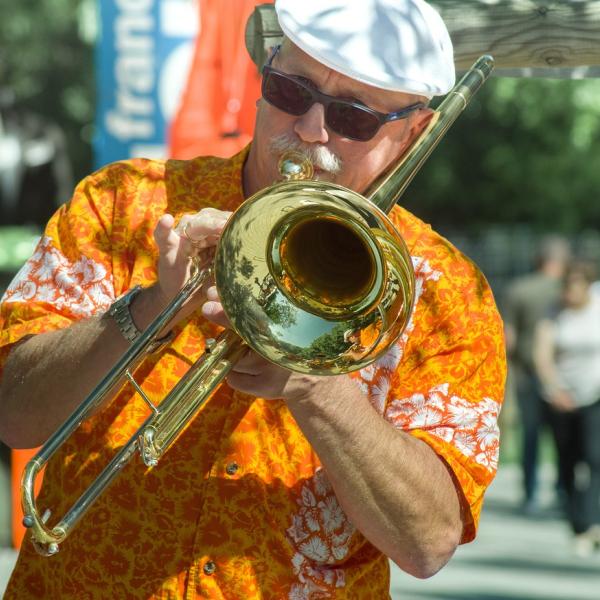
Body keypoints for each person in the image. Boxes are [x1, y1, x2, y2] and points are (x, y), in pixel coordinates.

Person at [0, 1, 506, 597]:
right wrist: (149, 310)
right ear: (265, 75)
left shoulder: (447, 291)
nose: (312, 129)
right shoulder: (123, 202)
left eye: (353, 116)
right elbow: (13, 411)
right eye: (291, 90)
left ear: (414, 131)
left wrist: (317, 387)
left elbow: (427, 543)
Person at [533, 260, 600, 557]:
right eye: (566, 286)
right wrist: (555, 389)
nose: (570, 292)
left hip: (595, 395)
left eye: (575, 286)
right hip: (561, 398)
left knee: (596, 459)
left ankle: (592, 521)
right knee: (568, 461)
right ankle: (578, 524)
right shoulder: (553, 313)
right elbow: (542, 355)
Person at [503, 235, 570, 513]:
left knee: (530, 434)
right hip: (564, 375)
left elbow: (509, 337)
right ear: (561, 262)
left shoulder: (519, 289)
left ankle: (530, 493)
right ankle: (562, 491)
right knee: (563, 436)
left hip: (527, 372)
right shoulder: (568, 290)